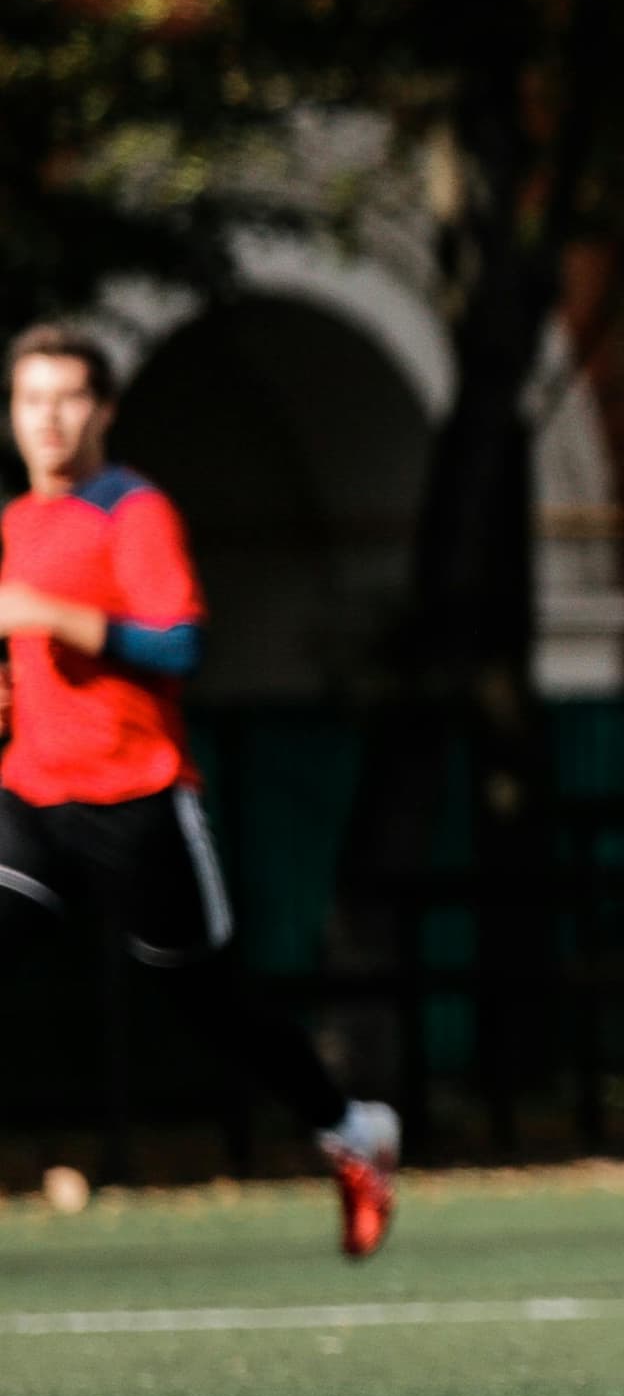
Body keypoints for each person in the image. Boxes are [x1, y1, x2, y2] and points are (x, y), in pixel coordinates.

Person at [0, 325, 399, 1254]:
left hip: (139, 808)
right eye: (31, 400)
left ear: (101, 411)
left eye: (67, 399)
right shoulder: (16, 524)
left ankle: (352, 1128)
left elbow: (179, 645)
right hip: (29, 803)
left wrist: (61, 616)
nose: (48, 420)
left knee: (211, 1004)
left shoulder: (134, 511)